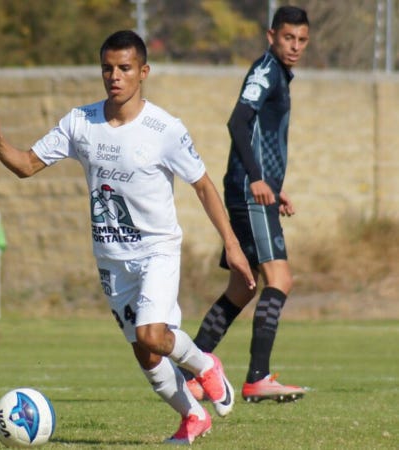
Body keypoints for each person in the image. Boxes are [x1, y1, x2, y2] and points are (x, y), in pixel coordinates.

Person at [0, 30, 255, 445]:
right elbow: (26, 165)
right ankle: (193, 417)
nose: (115, 76)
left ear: (143, 71)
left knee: (151, 334)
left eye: (124, 68)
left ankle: (206, 366)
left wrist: (231, 245)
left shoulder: (164, 128)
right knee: (145, 353)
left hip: (157, 249)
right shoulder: (80, 122)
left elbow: (203, 185)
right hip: (111, 257)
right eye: (107, 68)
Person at [181, 6, 310, 404]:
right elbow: (238, 122)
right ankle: (257, 377)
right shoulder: (266, 70)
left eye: (302, 40)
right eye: (288, 38)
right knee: (280, 279)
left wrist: (273, 185)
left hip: (251, 189)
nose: (295, 46)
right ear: (271, 35)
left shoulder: (277, 73)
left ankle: (191, 376)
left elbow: (260, 135)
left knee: (242, 287)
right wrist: (256, 179)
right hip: (247, 190)